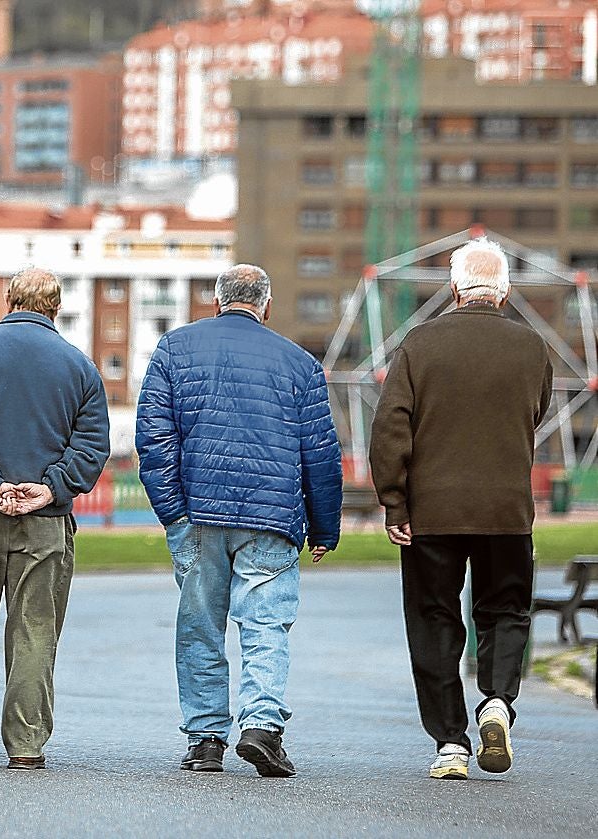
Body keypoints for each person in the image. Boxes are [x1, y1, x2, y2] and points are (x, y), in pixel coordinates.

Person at [136, 263, 342, 778]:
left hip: (199, 514)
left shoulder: (173, 350)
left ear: (216, 301)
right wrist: (324, 527)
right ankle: (262, 726)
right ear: (266, 306)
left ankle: (205, 739)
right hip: (272, 518)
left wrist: (173, 513)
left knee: (200, 626)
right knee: (266, 623)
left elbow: (154, 439)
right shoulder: (299, 363)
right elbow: (320, 453)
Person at [370, 238, 552, 781]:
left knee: (434, 620)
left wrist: (394, 500)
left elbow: (390, 428)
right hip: (506, 511)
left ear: (453, 288)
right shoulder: (531, 347)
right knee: (505, 611)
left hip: (431, 514)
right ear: (506, 290)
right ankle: (497, 700)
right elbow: (534, 413)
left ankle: (450, 743)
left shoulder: (420, 345)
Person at [0, 267, 109, 770]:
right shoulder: (79, 367)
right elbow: (93, 445)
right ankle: (26, 746)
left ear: (9, 301)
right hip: (45, 518)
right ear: (56, 308)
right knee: (35, 627)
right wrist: (50, 486)